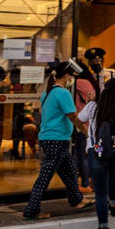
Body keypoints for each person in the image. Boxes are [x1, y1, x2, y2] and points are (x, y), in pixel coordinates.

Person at [23, 60, 89, 219]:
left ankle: (77, 200)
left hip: (51, 138)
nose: (72, 79)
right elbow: (73, 117)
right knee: (45, 176)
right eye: (72, 76)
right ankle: (31, 210)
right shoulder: (62, 93)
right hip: (56, 140)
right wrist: (88, 133)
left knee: (70, 169)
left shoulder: (48, 92)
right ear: (66, 75)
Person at [79, 78, 115, 229]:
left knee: (100, 192)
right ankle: (114, 204)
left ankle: (103, 227)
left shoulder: (93, 106)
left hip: (97, 153)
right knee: (112, 171)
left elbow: (79, 119)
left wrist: (88, 133)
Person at [72, 63, 99, 191]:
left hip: (82, 123)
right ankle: (92, 182)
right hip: (90, 122)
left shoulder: (79, 82)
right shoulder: (90, 82)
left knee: (82, 155)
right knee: (87, 154)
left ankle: (85, 184)